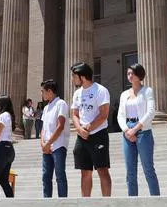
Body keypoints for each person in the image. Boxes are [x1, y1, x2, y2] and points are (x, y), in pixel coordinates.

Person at [117, 63, 160, 197]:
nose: (129, 76)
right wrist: (126, 130)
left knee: (148, 169)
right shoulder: (124, 94)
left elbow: (151, 112)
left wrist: (135, 129)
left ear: (139, 75)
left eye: (132, 73)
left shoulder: (147, 91)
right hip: (127, 130)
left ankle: (156, 198)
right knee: (130, 171)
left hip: (143, 130)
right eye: (128, 73)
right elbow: (120, 115)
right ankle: (132, 200)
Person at [70, 61, 112, 197]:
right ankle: (85, 202)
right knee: (85, 171)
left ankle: (106, 202)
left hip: (98, 134)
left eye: (74, 76)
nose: (72, 79)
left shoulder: (100, 90)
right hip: (81, 137)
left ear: (82, 77)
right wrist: (79, 129)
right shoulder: (77, 93)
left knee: (102, 170)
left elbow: (104, 114)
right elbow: (74, 114)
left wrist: (89, 128)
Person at [40, 79, 69, 198]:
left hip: (58, 145)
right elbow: (43, 128)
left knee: (59, 175)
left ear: (50, 91)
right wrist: (43, 143)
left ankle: (62, 201)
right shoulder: (46, 108)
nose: (41, 94)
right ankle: (47, 200)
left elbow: (60, 126)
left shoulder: (61, 104)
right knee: (46, 176)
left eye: (43, 91)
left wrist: (49, 143)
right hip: (47, 147)